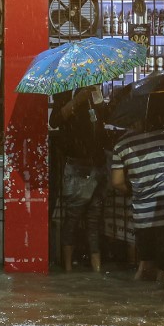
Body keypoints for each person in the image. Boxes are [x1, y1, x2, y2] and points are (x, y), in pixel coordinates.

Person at [111, 120, 164, 282]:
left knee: (145, 265)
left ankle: (140, 301)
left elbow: (117, 182)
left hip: (143, 215)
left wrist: (135, 192)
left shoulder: (120, 145)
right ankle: (161, 303)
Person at [50, 85, 109, 273]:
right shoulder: (64, 92)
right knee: (72, 218)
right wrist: (77, 100)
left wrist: (97, 98)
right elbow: (55, 120)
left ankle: (96, 271)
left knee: (94, 219)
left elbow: (105, 118)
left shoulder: (95, 92)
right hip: (76, 164)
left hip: (97, 164)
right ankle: (67, 269)